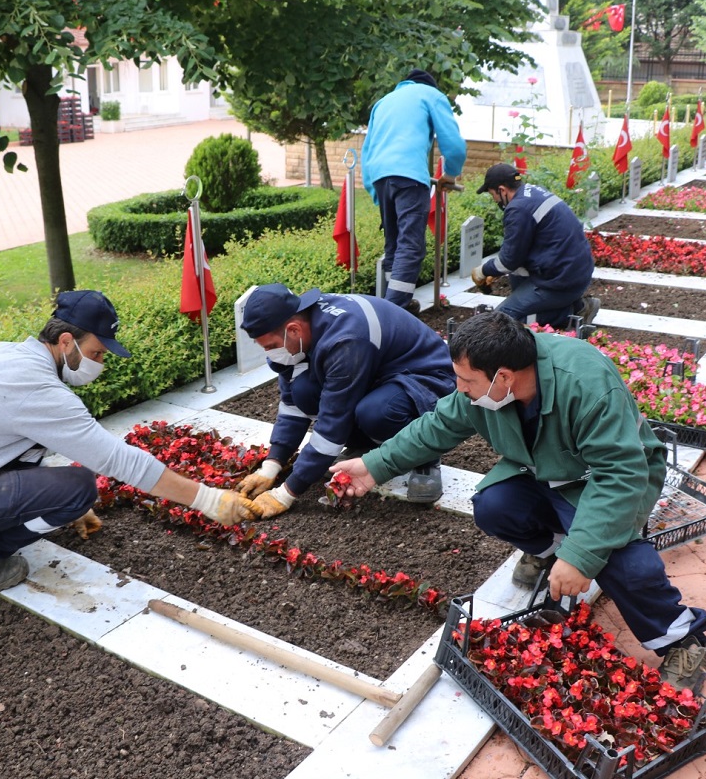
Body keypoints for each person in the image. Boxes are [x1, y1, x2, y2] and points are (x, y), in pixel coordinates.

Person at [329, 312, 706, 690]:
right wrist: (374, 465)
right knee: (495, 506)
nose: (459, 387)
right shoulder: (487, 385)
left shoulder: (586, 383)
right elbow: (439, 425)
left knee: (626, 566)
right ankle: (550, 552)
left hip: (604, 481)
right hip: (543, 470)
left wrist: (581, 557)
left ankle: (682, 639)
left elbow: (620, 477)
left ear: (504, 377)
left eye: (466, 380)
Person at [0, 289, 256, 595]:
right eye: (96, 353)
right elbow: (118, 460)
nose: (99, 363)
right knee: (79, 487)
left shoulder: (10, 356)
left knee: (57, 482)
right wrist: (208, 499)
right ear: (66, 341)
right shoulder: (35, 389)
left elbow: (19, 450)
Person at [236, 283, 456, 517]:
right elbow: (291, 403)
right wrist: (272, 464)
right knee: (303, 390)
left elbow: (333, 422)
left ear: (293, 330)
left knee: (377, 413)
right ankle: (368, 445)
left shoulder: (345, 339)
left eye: (270, 346)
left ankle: (424, 454)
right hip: (378, 374)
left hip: (427, 380)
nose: (270, 354)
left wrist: (287, 492)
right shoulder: (302, 328)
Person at [361, 69, 467, 312]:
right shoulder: (432, 95)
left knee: (394, 244)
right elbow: (454, 144)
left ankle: (400, 302)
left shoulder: (383, 102)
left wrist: (377, 193)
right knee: (411, 245)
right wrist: (449, 175)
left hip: (380, 176)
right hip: (409, 176)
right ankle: (392, 313)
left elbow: (367, 150)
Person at [470, 163, 600, 329]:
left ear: (502, 190)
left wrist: (483, 271)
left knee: (503, 320)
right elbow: (519, 253)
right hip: (573, 272)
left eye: (492, 194)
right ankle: (566, 305)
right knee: (516, 289)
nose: (494, 200)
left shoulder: (518, 208)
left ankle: (573, 311)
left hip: (561, 281)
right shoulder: (532, 192)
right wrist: (498, 271)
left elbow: (509, 261)